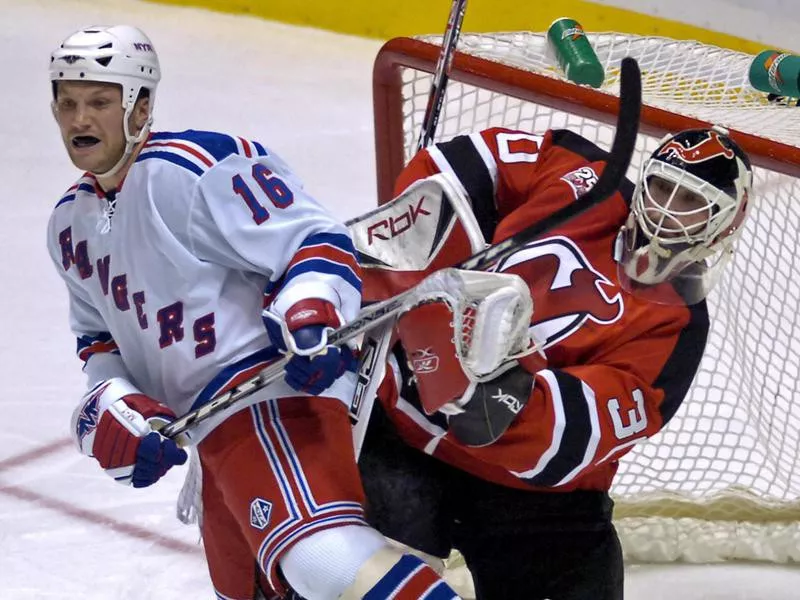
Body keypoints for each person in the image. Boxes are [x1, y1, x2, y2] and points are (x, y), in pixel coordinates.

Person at [46, 25, 461, 600]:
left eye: (99, 101)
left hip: (275, 402)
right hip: (213, 437)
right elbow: (98, 343)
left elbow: (314, 242)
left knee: (329, 563)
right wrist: (114, 408)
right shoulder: (68, 225)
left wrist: (311, 311)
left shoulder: (195, 168)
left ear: (140, 106)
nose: (79, 119)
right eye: (67, 102)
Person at [357, 124, 753, 599]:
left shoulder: (677, 329)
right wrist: (422, 268)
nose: (666, 209)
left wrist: (447, 360)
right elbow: (453, 167)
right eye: (662, 187)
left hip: (535, 506)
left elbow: (556, 447)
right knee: (330, 572)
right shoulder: (584, 175)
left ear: (727, 218)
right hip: (404, 441)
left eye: (690, 200)